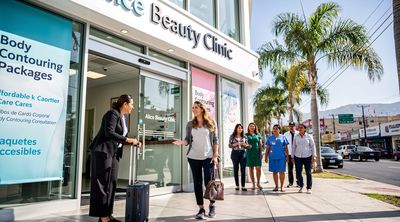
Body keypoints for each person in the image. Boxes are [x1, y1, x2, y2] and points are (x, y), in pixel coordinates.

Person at [89, 94, 141, 222]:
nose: (132, 107)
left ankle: (107, 214)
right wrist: (129, 139)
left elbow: (119, 136)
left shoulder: (122, 117)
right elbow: (109, 132)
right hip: (103, 153)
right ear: (125, 104)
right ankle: (104, 217)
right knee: (102, 185)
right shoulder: (112, 114)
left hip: (113, 154)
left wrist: (133, 142)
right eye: (132, 104)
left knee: (111, 185)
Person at [173, 101, 219, 219]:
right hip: (193, 157)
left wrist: (215, 155)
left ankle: (212, 205)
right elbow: (188, 140)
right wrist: (182, 142)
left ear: (202, 109)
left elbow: (215, 141)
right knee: (197, 183)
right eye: (193, 108)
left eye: (196, 107)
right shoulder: (190, 124)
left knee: (209, 182)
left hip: (208, 157)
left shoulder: (211, 123)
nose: (194, 109)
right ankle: (201, 209)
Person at [292, 123, 316, 194]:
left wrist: (314, 156)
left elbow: (312, 146)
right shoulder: (296, 137)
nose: (300, 129)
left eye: (301, 127)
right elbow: (293, 147)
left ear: (305, 129)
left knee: (308, 172)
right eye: (299, 128)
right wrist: (292, 156)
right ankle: (301, 186)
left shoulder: (309, 136)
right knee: (298, 172)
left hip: (307, 156)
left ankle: (309, 188)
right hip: (298, 157)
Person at [264, 124, 289, 192]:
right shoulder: (270, 138)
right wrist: (266, 157)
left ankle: (282, 186)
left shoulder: (283, 137)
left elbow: (286, 148)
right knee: (275, 172)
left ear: (279, 130)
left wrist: (287, 156)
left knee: (281, 172)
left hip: (281, 157)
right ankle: (276, 186)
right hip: (272, 157)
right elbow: (267, 148)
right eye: (274, 128)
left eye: (276, 129)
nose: (274, 130)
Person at [229, 123, 250, 191]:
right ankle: (237, 185)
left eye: (241, 128)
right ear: (236, 129)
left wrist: (245, 145)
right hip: (235, 153)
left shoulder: (244, 137)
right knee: (236, 169)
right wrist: (237, 143)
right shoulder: (232, 136)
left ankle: (243, 186)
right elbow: (229, 145)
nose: (240, 129)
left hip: (243, 153)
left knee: (243, 170)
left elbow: (247, 146)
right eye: (238, 128)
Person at [245, 123, 263, 190]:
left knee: (258, 168)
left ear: (255, 127)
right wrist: (247, 146)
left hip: (257, 153)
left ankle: (258, 183)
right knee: (251, 168)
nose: (252, 127)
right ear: (248, 127)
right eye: (250, 126)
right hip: (249, 153)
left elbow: (260, 144)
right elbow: (244, 143)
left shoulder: (258, 134)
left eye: (253, 126)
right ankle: (253, 184)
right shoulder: (246, 135)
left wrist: (261, 152)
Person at [283, 121, 298, 188]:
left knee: (298, 168)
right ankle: (290, 182)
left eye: (293, 126)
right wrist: (285, 154)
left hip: (297, 154)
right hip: (289, 154)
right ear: (289, 127)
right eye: (290, 126)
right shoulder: (285, 134)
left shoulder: (298, 133)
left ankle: (299, 182)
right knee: (290, 169)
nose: (291, 127)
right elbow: (284, 145)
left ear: (295, 126)